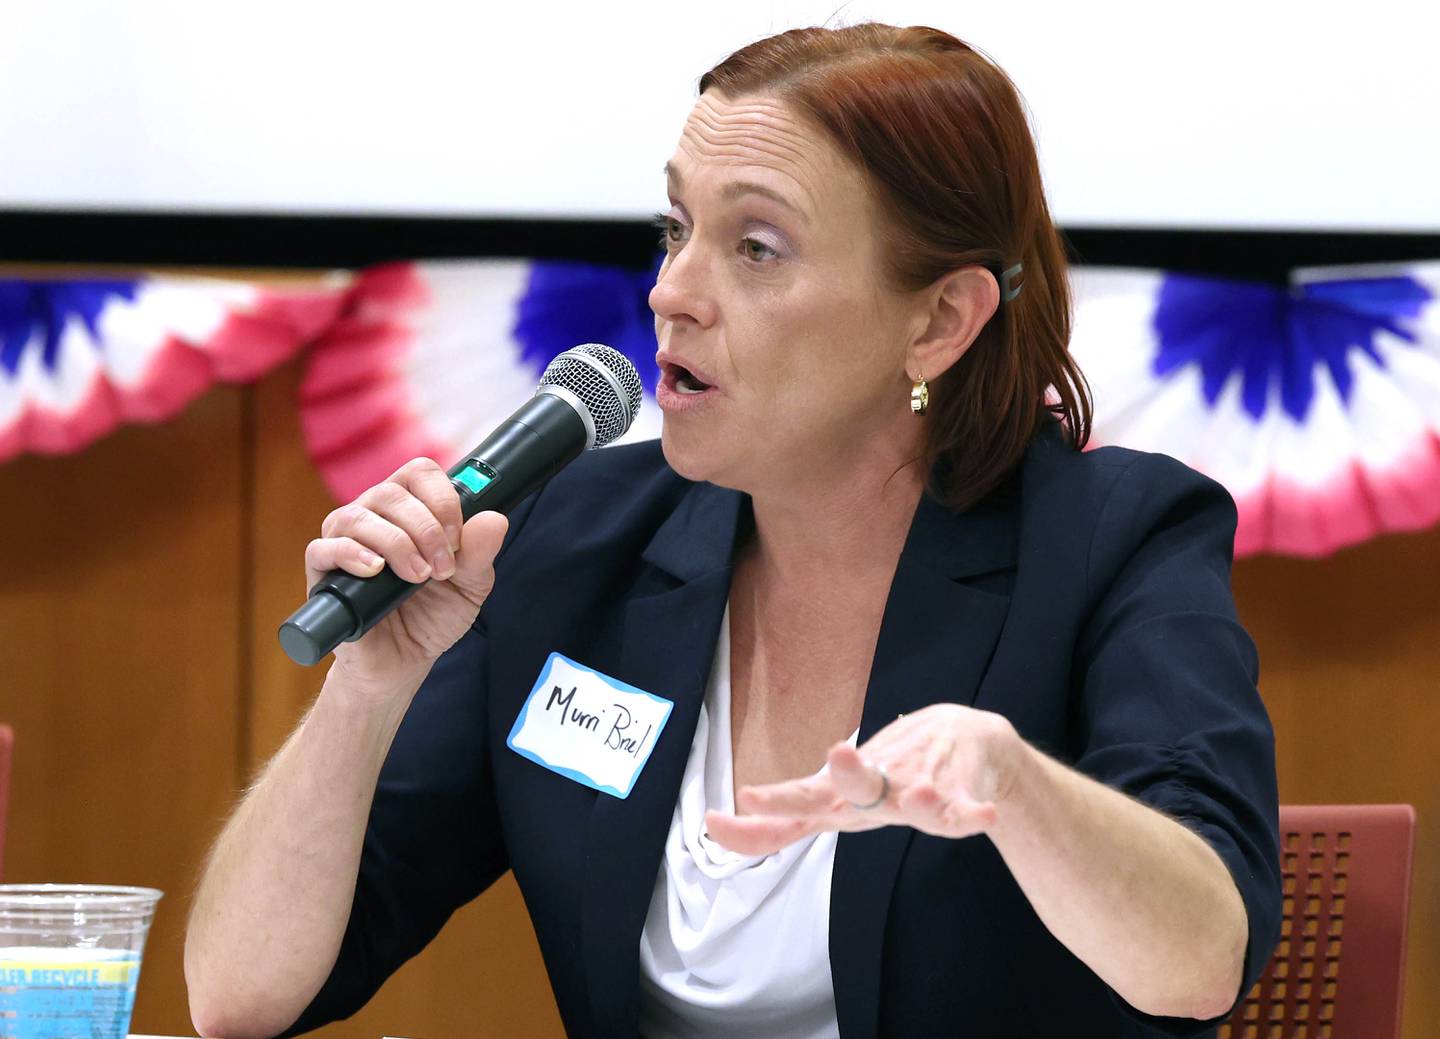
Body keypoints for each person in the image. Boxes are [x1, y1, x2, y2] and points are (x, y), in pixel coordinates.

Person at [185, 22, 1280, 1039]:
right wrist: (368, 687)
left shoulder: (1111, 541)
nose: (672, 291)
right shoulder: (577, 539)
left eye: (756, 247)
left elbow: (1201, 959)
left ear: (939, 321)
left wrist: (1015, 786)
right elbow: (241, 996)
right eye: (676, 227)